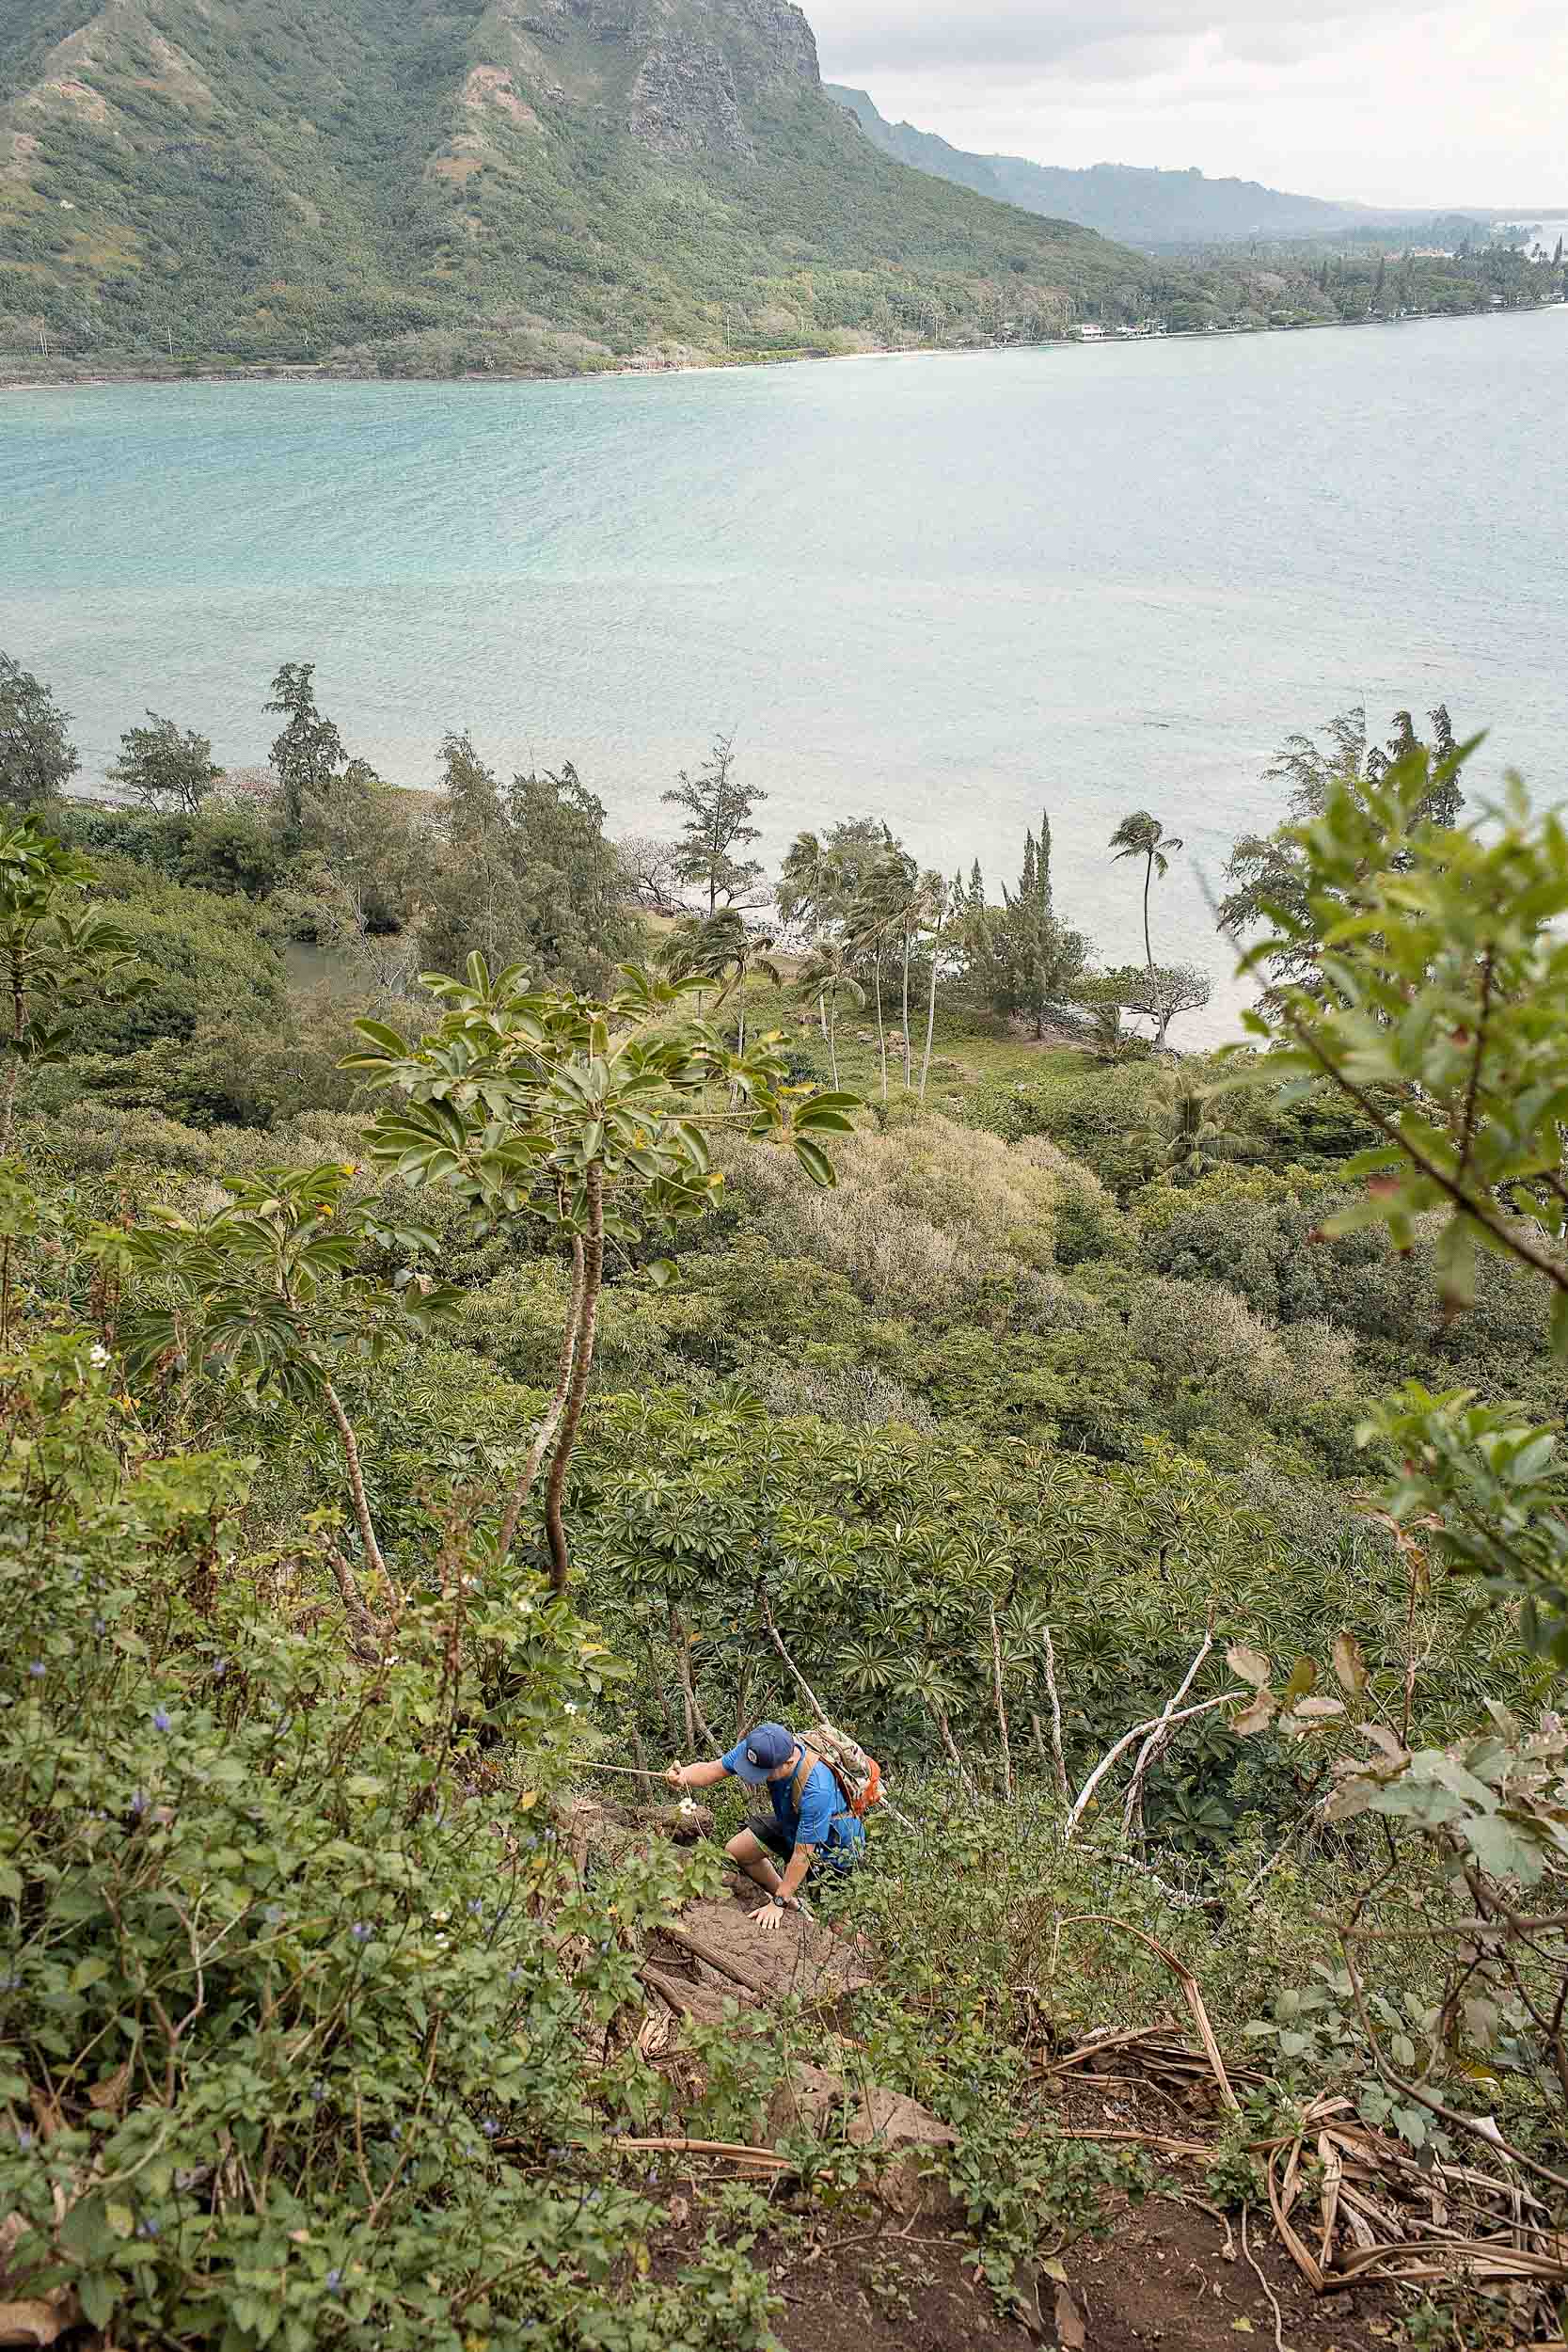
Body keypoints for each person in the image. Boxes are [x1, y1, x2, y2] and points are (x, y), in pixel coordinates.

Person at [667, 1722, 865, 1932]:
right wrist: (684, 1775)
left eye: (763, 1773)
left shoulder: (817, 1790)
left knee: (837, 1922)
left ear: (788, 1762)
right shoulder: (760, 1750)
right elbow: (713, 1769)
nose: (756, 1775)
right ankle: (794, 1906)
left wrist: (776, 1903)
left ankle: (866, 1953)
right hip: (792, 1820)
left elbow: (802, 1855)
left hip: (833, 1843)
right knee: (738, 1851)